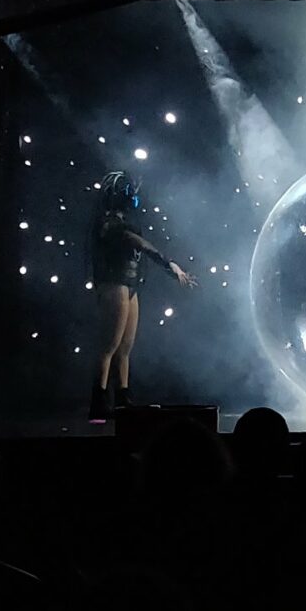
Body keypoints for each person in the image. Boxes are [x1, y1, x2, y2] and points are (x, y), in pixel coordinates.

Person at [88, 171, 196, 424]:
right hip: (115, 282)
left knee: (125, 347)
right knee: (109, 346)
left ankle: (122, 399)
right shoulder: (108, 223)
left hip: (129, 283)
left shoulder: (120, 221)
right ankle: (99, 402)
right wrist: (169, 265)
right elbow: (140, 244)